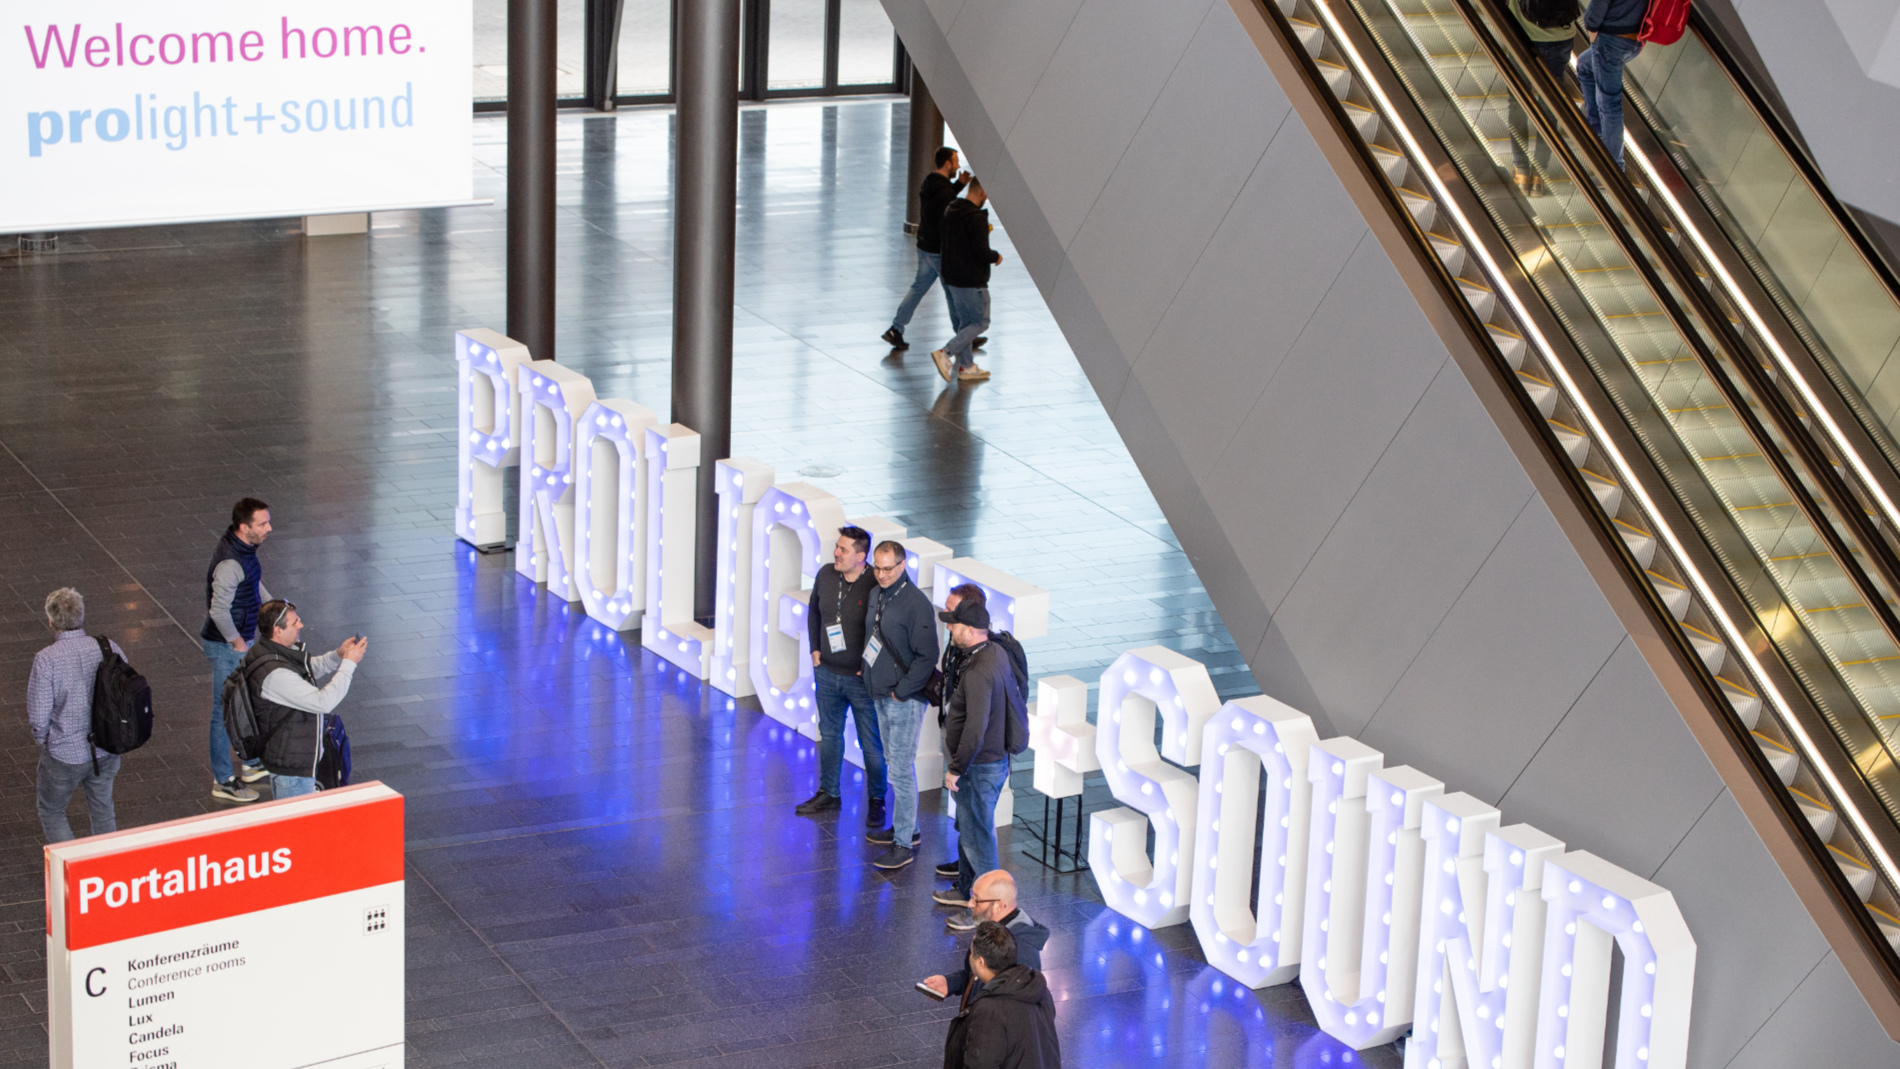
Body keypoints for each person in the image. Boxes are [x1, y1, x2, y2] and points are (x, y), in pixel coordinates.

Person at [936, 598, 1022, 928]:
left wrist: (956, 768)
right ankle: (966, 889)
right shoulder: (993, 653)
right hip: (989, 762)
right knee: (972, 830)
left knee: (978, 836)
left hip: (979, 766)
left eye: (954, 625)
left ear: (970, 631)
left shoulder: (978, 671)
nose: (949, 628)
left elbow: (975, 726)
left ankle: (985, 911)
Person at [795, 526, 889, 826]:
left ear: (861, 556)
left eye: (843, 549)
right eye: (837, 547)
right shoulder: (826, 574)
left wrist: (869, 663)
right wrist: (814, 649)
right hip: (826, 673)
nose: (836, 553)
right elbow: (814, 613)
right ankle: (829, 793)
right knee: (830, 736)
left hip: (861, 681)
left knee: (871, 746)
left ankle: (876, 800)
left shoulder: (875, 583)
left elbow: (885, 630)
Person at [237, 600, 367, 799]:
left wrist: (337, 656)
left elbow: (306, 669)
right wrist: (349, 664)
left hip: (285, 755)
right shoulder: (275, 674)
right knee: (297, 827)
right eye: (294, 622)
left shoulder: (267, 651)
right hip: (293, 768)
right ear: (277, 631)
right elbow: (324, 702)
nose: (301, 625)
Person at [863, 540, 942, 870]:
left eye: (887, 569)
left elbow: (928, 656)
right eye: (876, 568)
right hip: (880, 692)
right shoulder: (878, 592)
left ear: (903, 565)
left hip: (902, 699)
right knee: (894, 762)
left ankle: (902, 844)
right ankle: (909, 829)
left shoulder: (916, 604)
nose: (880, 574)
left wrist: (901, 691)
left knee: (901, 768)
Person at [26, 589, 121, 843]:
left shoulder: (47, 660)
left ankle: (72, 870)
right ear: (81, 616)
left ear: (51, 621)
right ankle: (107, 871)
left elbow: (38, 716)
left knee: (52, 810)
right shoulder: (108, 647)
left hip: (64, 754)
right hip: (107, 748)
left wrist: (45, 740)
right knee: (103, 810)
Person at [201, 497, 274, 803]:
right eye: (263, 523)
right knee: (223, 713)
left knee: (245, 704)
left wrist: (275, 609)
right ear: (245, 528)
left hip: (237, 640)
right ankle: (223, 779)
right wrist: (237, 643)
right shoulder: (231, 562)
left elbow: (253, 584)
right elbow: (219, 611)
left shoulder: (243, 550)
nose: (269, 528)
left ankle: (250, 764)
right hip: (225, 646)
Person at [941, 921, 1061, 1069]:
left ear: (981, 962)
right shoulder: (1039, 990)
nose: (969, 957)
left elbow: (982, 1063)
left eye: (971, 953)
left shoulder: (990, 1010)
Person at [883, 147, 969, 351]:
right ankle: (965, 336)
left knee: (917, 290)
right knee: (953, 293)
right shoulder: (945, 191)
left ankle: (896, 329)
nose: (958, 165)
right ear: (947, 164)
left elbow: (942, 199)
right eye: (955, 161)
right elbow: (948, 215)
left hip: (924, 247)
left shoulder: (930, 182)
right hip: (939, 252)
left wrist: (958, 185)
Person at [923, 870, 1051, 995]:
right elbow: (981, 975)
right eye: (971, 895)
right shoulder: (993, 929)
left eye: (976, 899)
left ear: (999, 906)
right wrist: (951, 983)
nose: (970, 904)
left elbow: (1016, 1008)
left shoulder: (1021, 951)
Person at [933, 178, 1004, 385]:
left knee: (965, 325)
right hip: (971, 280)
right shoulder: (976, 218)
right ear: (981, 192)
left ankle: (967, 366)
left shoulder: (951, 210)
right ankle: (945, 353)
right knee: (981, 322)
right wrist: (996, 256)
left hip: (952, 278)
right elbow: (981, 252)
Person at [1507, 0, 1581, 195]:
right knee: (1550, 104)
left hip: (1523, 34)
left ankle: (1521, 172)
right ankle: (1539, 175)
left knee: (1518, 101)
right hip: (1561, 36)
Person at [1576, 0, 1649, 168]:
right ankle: (1597, 128)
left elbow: (1599, 5)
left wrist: (1591, 26)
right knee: (1584, 65)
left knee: (1610, 104)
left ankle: (1614, 167)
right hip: (1635, 40)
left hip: (1611, 39)